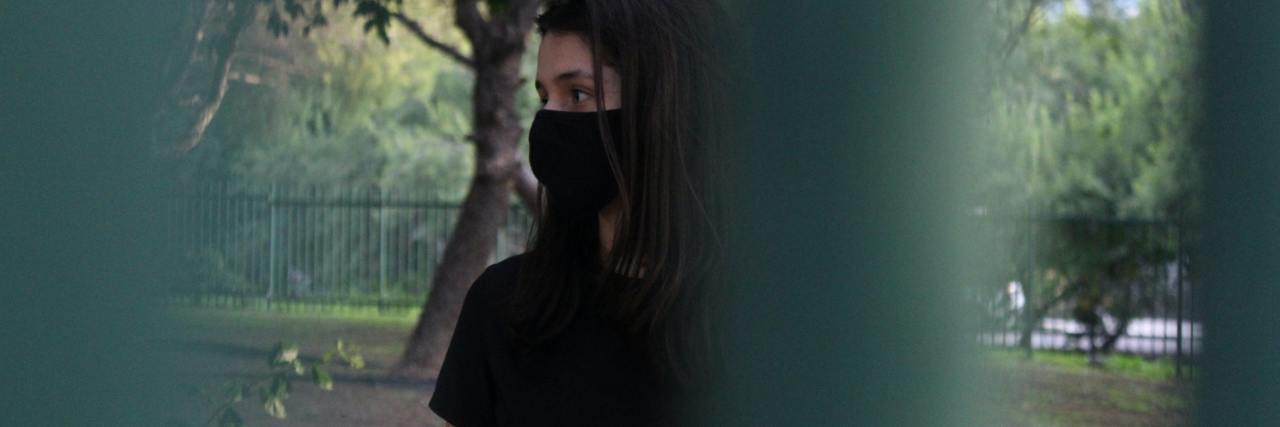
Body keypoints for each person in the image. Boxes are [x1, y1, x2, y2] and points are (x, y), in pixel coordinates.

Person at [427, 0, 733, 425]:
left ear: (660, 106)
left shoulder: (753, 321)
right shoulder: (505, 305)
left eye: (578, 94)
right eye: (543, 96)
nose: (548, 120)